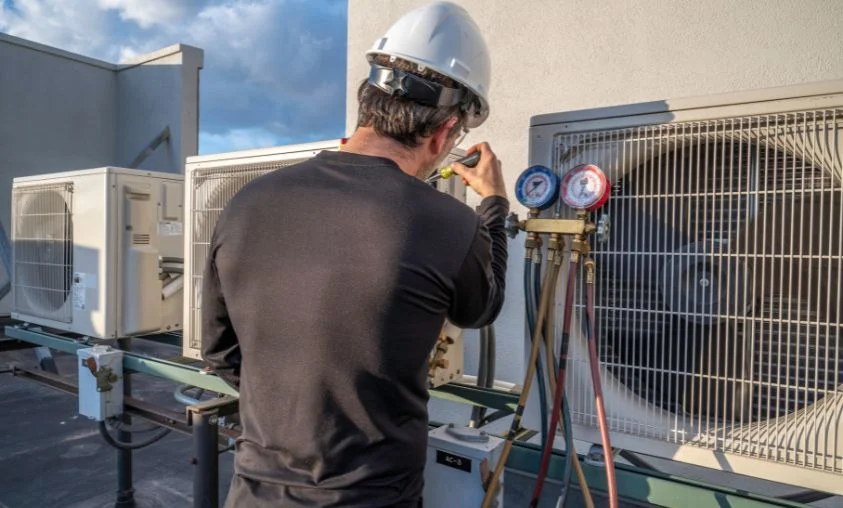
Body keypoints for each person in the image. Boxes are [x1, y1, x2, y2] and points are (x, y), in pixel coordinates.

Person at [201, 2, 509, 506]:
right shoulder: (448, 222)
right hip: (372, 495)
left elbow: (220, 352)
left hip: (255, 491)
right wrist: (493, 203)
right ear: (444, 133)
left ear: (367, 101)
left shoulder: (247, 201)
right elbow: (481, 308)